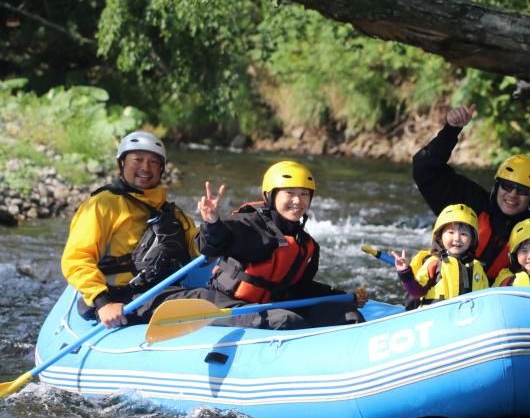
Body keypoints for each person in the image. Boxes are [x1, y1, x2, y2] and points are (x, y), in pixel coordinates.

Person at [61, 131, 210, 329]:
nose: (145, 168)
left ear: (162, 169)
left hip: (159, 293)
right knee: (208, 301)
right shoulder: (102, 205)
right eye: (137, 160)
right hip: (123, 299)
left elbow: (197, 246)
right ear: (121, 164)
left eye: (154, 162)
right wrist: (102, 302)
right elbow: (77, 258)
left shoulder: (170, 212)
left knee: (220, 294)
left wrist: (213, 224)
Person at [196, 160, 368, 330]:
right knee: (287, 321)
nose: (298, 201)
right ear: (270, 196)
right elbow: (211, 245)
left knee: (348, 315)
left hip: (271, 305)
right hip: (229, 304)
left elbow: (301, 287)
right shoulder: (250, 225)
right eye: (290, 193)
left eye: (304, 194)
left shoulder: (306, 244)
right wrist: (212, 223)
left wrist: (343, 297)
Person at [412, 104, 530, 285]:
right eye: (507, 186)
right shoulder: (470, 200)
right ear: (497, 186)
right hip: (446, 289)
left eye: (523, 191)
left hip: (493, 303)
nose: (512, 195)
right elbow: (424, 169)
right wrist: (451, 131)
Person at [391, 203, 489, 306]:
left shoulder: (477, 267)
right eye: (451, 232)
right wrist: (405, 273)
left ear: (472, 240)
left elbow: (486, 299)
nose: (457, 238)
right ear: (439, 236)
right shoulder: (434, 263)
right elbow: (416, 292)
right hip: (435, 318)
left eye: (464, 234)